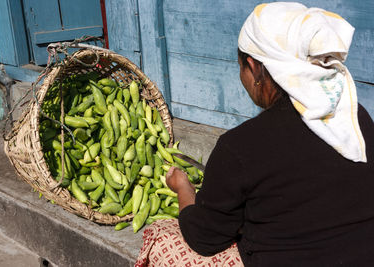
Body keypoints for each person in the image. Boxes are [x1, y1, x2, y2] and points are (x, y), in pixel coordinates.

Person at [135, 2, 374, 266]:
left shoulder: (240, 147)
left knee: (160, 235)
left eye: (241, 67)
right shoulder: (355, 120)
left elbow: (204, 238)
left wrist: (183, 188)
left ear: (253, 66)